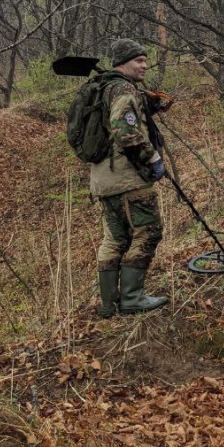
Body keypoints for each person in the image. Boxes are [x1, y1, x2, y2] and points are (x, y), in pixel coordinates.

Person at [91, 38, 168, 316]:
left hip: (103, 179)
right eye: (139, 60)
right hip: (128, 178)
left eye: (145, 60)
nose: (145, 65)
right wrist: (154, 158)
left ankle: (108, 304)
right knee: (149, 230)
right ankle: (133, 298)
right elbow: (125, 132)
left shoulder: (102, 88)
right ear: (123, 63)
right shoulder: (123, 89)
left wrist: (148, 108)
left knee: (115, 238)